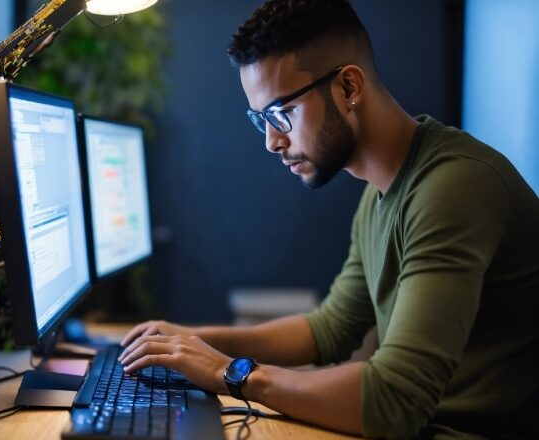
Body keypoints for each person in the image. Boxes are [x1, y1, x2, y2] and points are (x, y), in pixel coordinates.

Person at [118, 0, 539, 438]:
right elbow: (331, 328)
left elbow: (396, 398)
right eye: (260, 119)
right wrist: (193, 342)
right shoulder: (382, 191)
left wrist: (231, 373)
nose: (272, 142)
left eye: (281, 113)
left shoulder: (453, 188)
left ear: (349, 87)